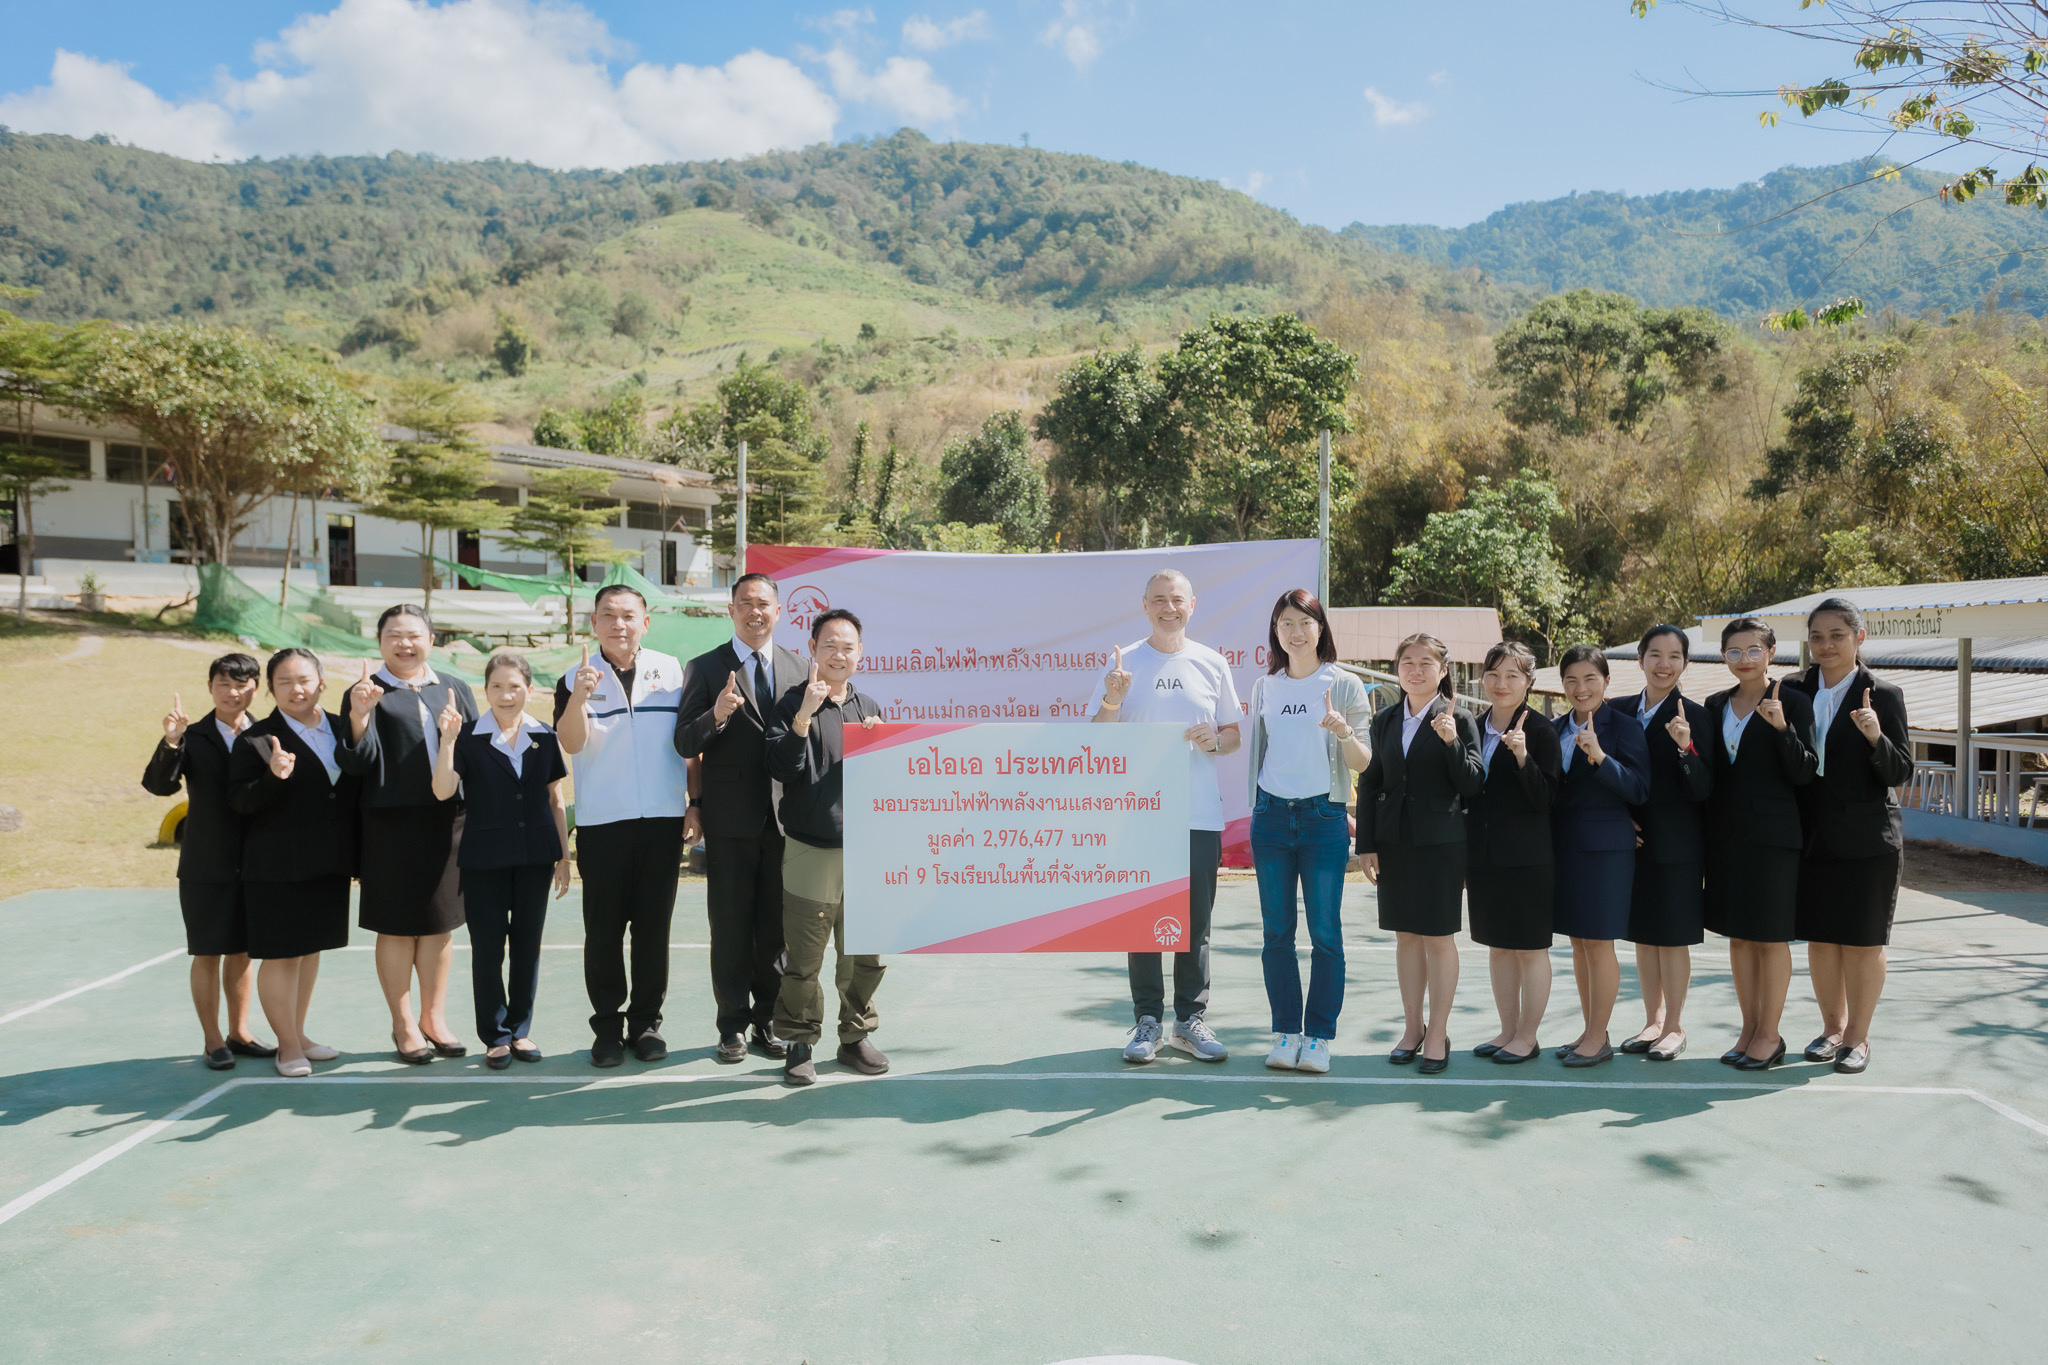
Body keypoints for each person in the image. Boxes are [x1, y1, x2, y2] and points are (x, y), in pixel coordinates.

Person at [1089, 569, 1242, 1066]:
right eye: (1158, 599)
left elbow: (1233, 735)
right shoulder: (1123, 664)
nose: (1168, 607)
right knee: (1143, 922)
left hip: (1198, 814)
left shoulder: (1212, 663)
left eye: (1177, 599)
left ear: (1192, 605)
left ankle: (1189, 1021)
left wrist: (1215, 741)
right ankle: (1148, 1021)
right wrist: (1112, 698)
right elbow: (1098, 736)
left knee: (1195, 924)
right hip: (1138, 816)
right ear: (1144, 605)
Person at [557, 584, 692, 1068]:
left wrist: (695, 804)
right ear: (593, 623)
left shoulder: (671, 671)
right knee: (604, 932)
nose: (619, 624)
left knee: (653, 930)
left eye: (629, 615)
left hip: (663, 821)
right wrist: (578, 698)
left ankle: (646, 1024)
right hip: (602, 824)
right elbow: (571, 743)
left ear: (645, 622)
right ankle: (608, 1028)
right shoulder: (574, 677)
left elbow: (688, 744)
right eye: (608, 616)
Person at [673, 571, 804, 1064]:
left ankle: (768, 1020)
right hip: (729, 822)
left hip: (785, 821)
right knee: (729, 928)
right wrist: (717, 714)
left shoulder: (799, 667)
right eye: (745, 603)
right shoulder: (706, 667)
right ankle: (731, 1024)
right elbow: (684, 740)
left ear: (778, 611)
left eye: (764, 603)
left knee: (774, 929)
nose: (755, 611)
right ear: (731, 611)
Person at [337, 605, 476, 1064]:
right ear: (380, 642)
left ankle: (433, 1019)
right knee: (396, 928)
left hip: (448, 823)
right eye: (394, 635)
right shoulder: (364, 691)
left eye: (414, 635)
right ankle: (403, 1025)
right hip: (388, 826)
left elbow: (474, 754)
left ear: (431, 640)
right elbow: (354, 763)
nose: (405, 644)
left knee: (439, 926)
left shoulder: (453, 687)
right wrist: (360, 716)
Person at [1243, 589, 1372, 1074]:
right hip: (1271, 818)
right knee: (1276, 932)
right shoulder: (1264, 687)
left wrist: (1342, 732)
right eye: (1286, 623)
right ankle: (1286, 1033)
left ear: (1321, 628)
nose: (1295, 632)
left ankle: (1317, 1037)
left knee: (1325, 933)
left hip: (1323, 818)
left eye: (1305, 622)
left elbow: (1364, 761)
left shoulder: (1345, 683)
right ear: (1275, 631)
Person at [1787, 597, 1913, 1075]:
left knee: (1862, 942)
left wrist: (1876, 737)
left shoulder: (1883, 695)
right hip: (1809, 835)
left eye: (1837, 635)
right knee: (1821, 939)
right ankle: (1831, 1029)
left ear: (1859, 638)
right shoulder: (1792, 690)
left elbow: (1900, 771)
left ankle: (1858, 1037)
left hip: (1868, 838)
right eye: (1817, 637)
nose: (1826, 645)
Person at [764, 608, 888, 1086]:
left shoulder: (868, 706)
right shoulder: (791, 704)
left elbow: (886, 781)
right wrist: (803, 717)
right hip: (809, 851)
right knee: (805, 958)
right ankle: (799, 1041)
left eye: (847, 647)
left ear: (861, 654)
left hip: (865, 854)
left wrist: (883, 745)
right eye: (829, 645)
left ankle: (855, 1036)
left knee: (864, 956)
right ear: (812, 650)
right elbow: (781, 768)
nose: (839, 654)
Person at [431, 652, 571, 1069]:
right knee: (489, 950)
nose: (505, 695)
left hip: (535, 859)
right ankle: (495, 1036)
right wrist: (447, 741)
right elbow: (442, 791)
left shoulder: (544, 736)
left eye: (514, 687)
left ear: (529, 689)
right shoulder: (467, 736)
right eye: (496, 686)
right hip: (483, 861)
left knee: (527, 947)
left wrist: (564, 857)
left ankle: (520, 1030)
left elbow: (556, 800)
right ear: (485, 690)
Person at [140, 652, 277, 1070]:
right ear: (210, 688)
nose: (233, 693)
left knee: (243, 952)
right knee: (208, 952)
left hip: (257, 863)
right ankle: (212, 1040)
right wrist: (171, 742)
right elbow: (159, 786)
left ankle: (240, 1033)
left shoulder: (270, 735)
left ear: (256, 688)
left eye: (242, 685)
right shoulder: (193, 736)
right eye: (224, 684)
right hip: (206, 863)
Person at [228, 649, 360, 1078]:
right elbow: (239, 801)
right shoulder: (256, 739)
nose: (295, 689)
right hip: (276, 867)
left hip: (329, 863)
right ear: (270, 689)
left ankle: (298, 1035)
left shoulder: (343, 727)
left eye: (304, 679)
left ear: (321, 682)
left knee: (309, 952)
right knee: (282, 956)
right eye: (283, 681)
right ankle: (286, 1047)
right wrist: (273, 777)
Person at [1357, 632, 1484, 1076]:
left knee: (1438, 938)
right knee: (1406, 937)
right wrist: (1366, 844)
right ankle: (1413, 1028)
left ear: (1443, 671)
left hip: (1442, 843)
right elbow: (1371, 781)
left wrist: (1450, 743)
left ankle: (1438, 1032)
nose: (1415, 670)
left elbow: (1473, 783)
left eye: (1426, 662)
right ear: (1397, 669)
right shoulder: (1385, 719)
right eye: (1407, 661)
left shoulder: (1460, 718)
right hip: (1393, 843)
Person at [1702, 618, 1819, 1070]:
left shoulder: (1794, 701)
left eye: (1754, 650)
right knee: (1739, 939)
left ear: (1771, 652)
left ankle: (1770, 1035)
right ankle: (1749, 1029)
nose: (1744, 660)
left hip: (1773, 840)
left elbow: (1805, 772)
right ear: (1724, 657)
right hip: (1726, 838)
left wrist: (1783, 728)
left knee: (1769, 938)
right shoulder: (1714, 704)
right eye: (1734, 651)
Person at [1548, 646, 1650, 1068]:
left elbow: (1639, 789)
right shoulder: (1553, 728)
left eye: (1590, 678)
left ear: (1607, 681)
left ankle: (1598, 1038)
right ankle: (1591, 1029)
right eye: (1571, 679)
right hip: (1563, 848)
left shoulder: (1625, 727)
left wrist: (1600, 757)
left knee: (1598, 942)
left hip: (1606, 851)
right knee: (1578, 942)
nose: (1581, 687)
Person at [1464, 641, 1562, 1066]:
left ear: (1528, 682)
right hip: (1483, 857)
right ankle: (1507, 1030)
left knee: (1530, 949)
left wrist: (1522, 757)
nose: (1501, 684)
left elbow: (1548, 799)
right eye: (1493, 674)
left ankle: (1527, 1035)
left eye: (1512, 676)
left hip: (1527, 859)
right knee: (1498, 947)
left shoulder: (1541, 731)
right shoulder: (1471, 726)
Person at [1621, 625, 1713, 1062]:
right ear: (1640, 659)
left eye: (1674, 656)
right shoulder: (1617, 710)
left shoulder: (1697, 716)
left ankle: (1674, 1026)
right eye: (1655, 654)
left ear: (1685, 664)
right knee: (1644, 935)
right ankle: (1652, 1021)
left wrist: (1685, 747)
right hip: (1629, 843)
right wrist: (1620, 820)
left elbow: (1703, 788)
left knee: (1673, 938)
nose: (1664, 664)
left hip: (1677, 844)